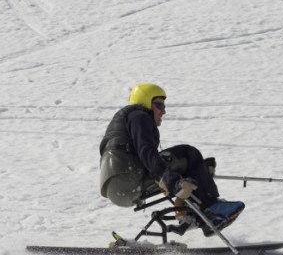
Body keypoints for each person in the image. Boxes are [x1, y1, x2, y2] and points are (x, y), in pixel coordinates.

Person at [99, 83, 244, 235]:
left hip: (117, 188)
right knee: (189, 153)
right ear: (146, 103)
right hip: (129, 176)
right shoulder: (139, 115)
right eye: (159, 105)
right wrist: (165, 176)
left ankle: (188, 215)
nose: (164, 111)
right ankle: (213, 209)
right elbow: (146, 150)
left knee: (184, 167)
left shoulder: (129, 120)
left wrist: (199, 172)